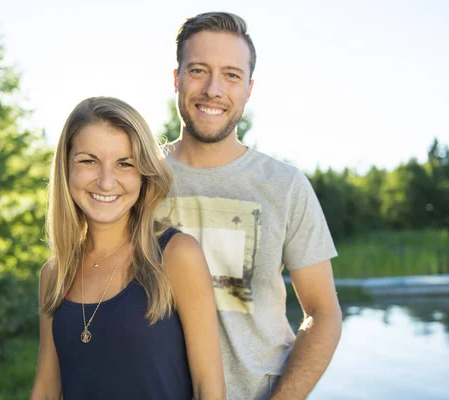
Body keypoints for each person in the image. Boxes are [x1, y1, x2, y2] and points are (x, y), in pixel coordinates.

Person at [157, 12, 342, 400]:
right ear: (176, 78)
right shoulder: (138, 178)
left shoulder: (285, 185)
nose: (213, 89)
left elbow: (323, 314)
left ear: (249, 89)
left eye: (231, 75)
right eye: (198, 70)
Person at [30, 96, 226, 399]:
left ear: (143, 173)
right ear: (66, 167)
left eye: (125, 164)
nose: (106, 182)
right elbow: (46, 388)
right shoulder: (54, 275)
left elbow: (209, 388)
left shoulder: (177, 255)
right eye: (88, 161)